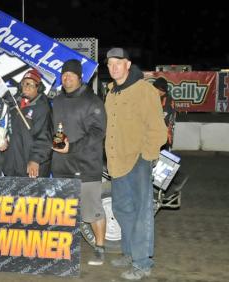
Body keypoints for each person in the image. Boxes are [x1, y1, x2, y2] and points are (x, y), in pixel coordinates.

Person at [105, 47, 167, 280]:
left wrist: (146, 156)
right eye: (110, 63)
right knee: (122, 209)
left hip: (139, 160)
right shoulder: (111, 92)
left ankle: (142, 263)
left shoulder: (144, 91)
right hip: (117, 161)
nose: (113, 67)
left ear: (128, 65)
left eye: (118, 62)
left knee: (142, 213)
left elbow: (158, 130)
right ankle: (130, 253)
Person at [51, 59, 107, 266]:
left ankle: (100, 247)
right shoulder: (57, 101)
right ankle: (65, 250)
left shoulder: (92, 101)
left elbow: (97, 133)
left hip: (85, 167)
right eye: (64, 74)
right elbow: (53, 129)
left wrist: (72, 147)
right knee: (64, 213)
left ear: (80, 77)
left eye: (71, 75)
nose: (67, 78)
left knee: (92, 211)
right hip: (60, 167)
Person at [3, 69, 52, 178]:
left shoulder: (43, 107)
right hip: (12, 167)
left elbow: (45, 137)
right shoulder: (13, 105)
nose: (26, 86)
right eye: (24, 83)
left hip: (31, 169)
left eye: (31, 84)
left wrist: (35, 160)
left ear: (38, 88)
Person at [153, 77, 176, 151]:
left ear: (160, 89)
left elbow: (163, 118)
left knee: (162, 161)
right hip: (157, 137)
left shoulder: (167, 100)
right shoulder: (159, 98)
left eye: (155, 88)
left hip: (164, 138)